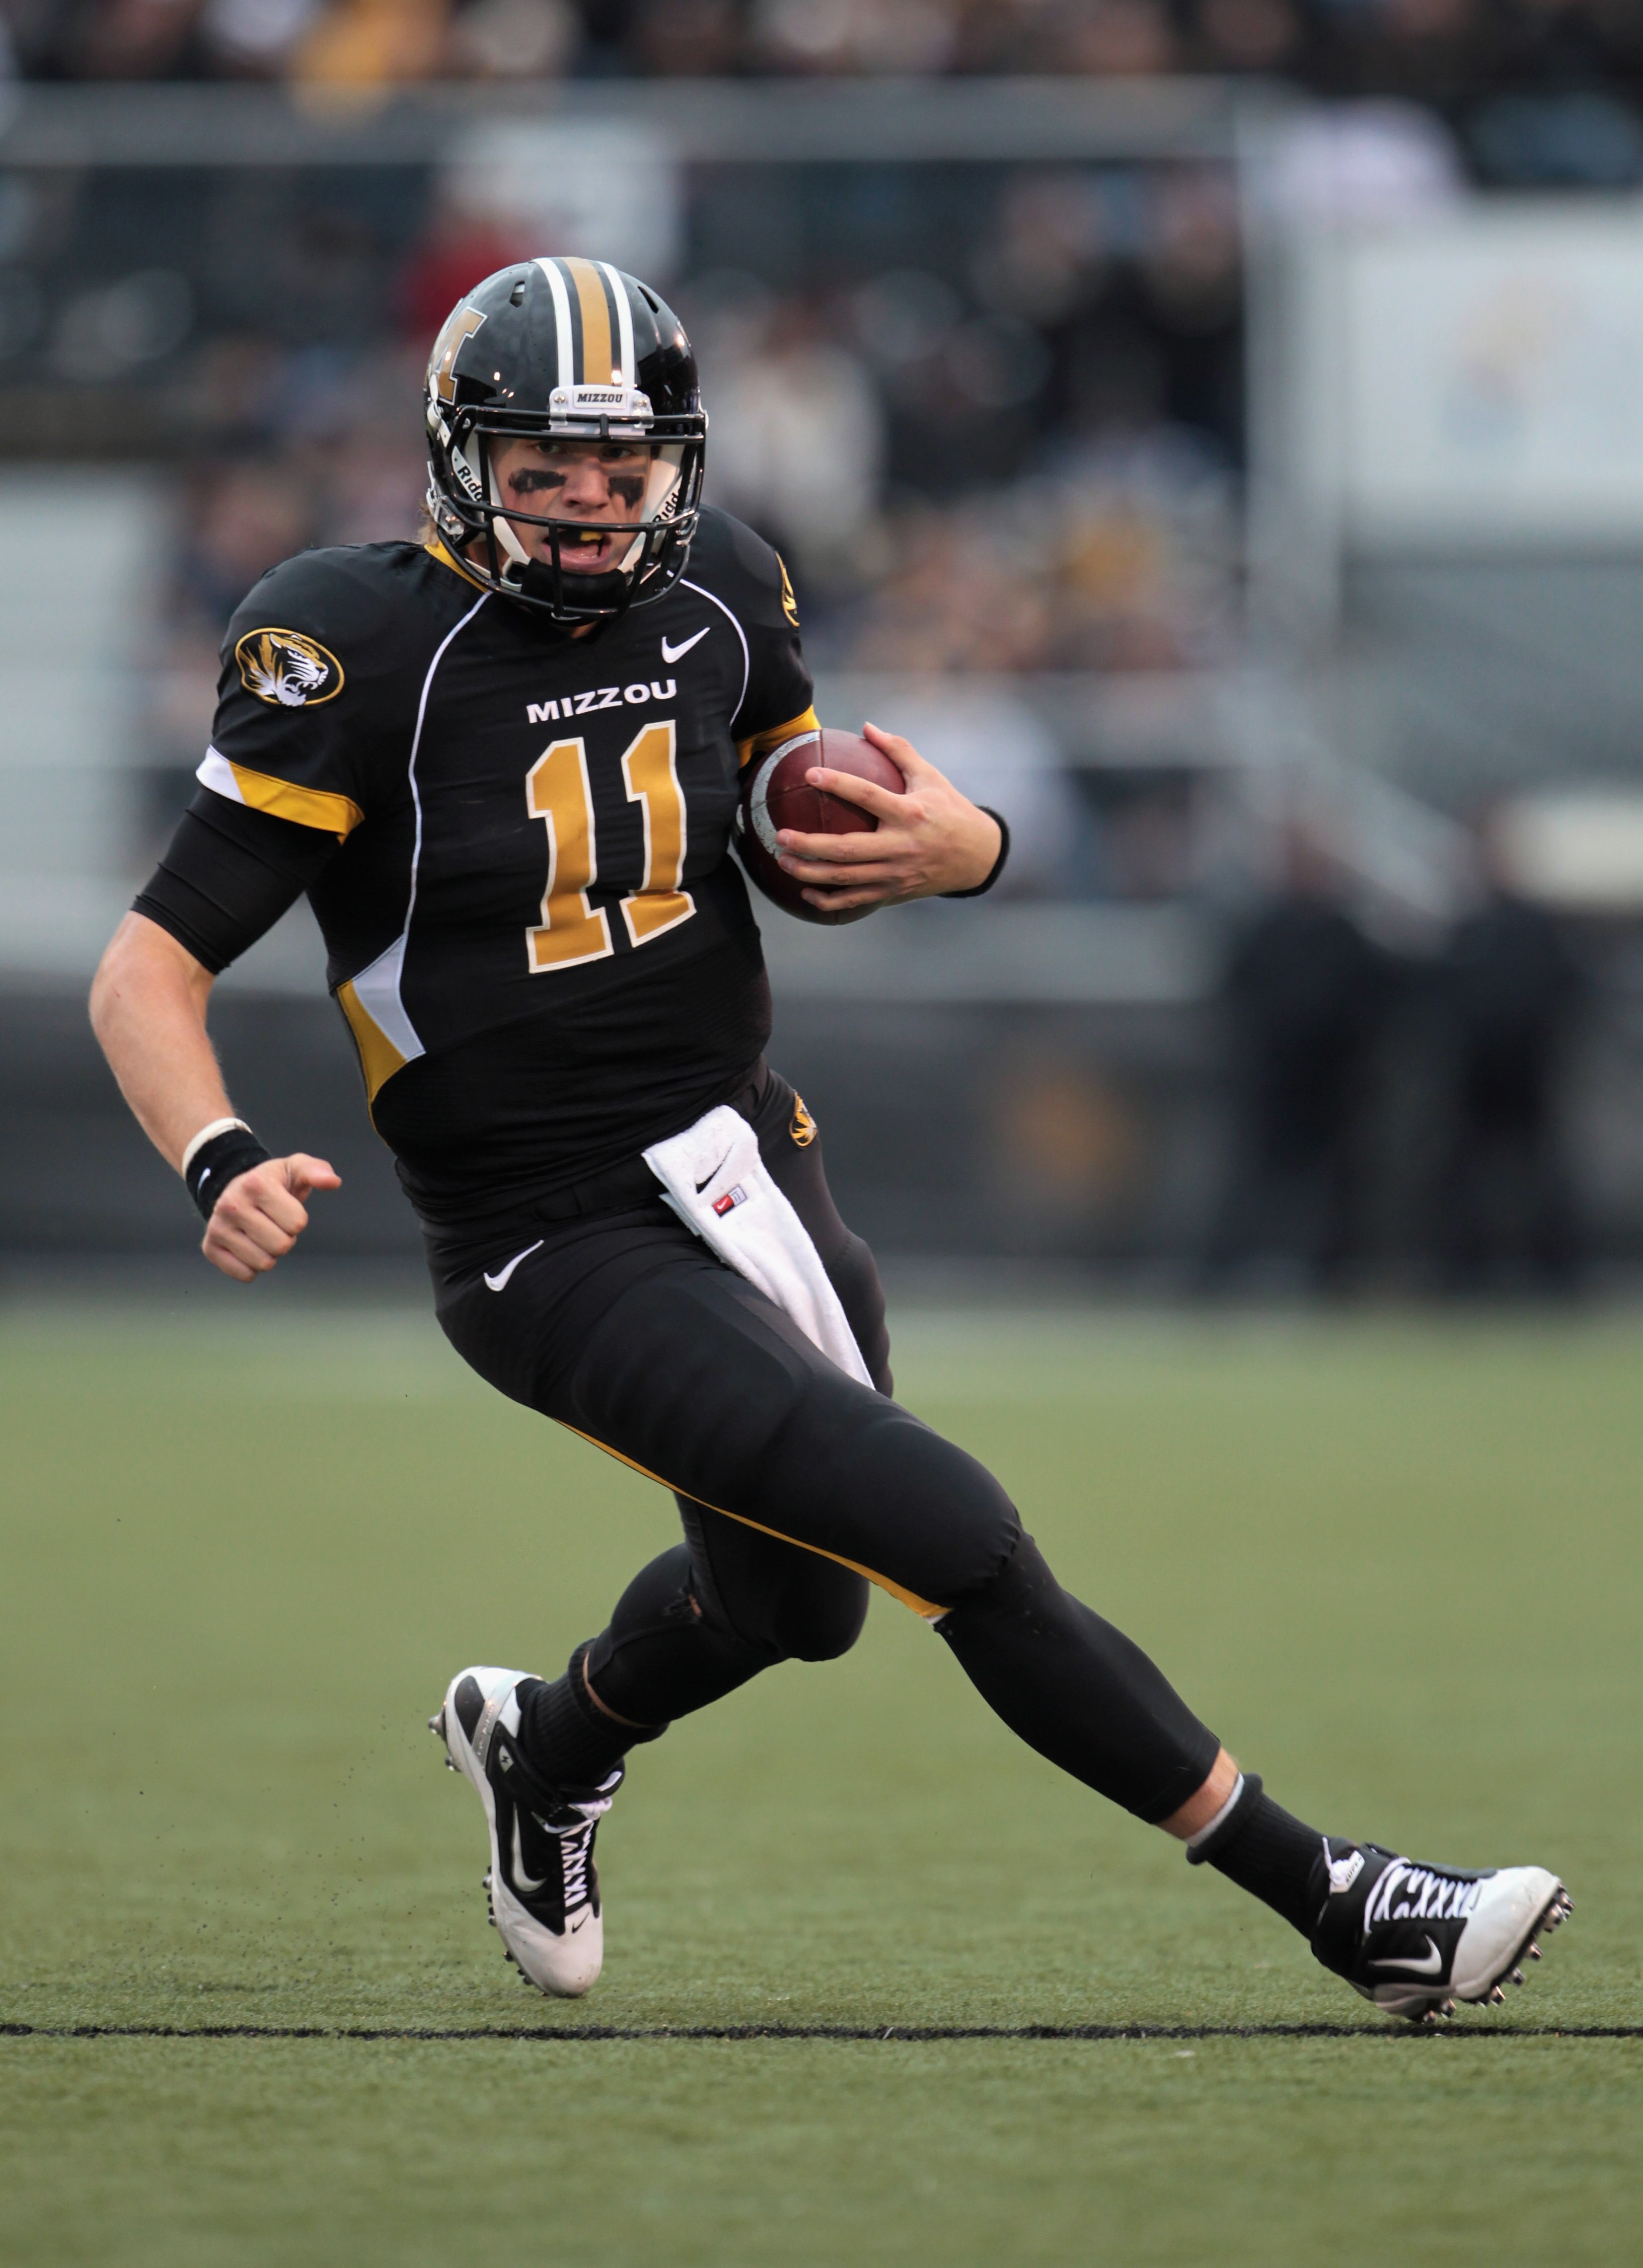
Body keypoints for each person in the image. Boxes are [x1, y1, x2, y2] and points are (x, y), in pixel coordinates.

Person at [90, 256, 1569, 2024]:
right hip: (536, 1228)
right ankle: (1348, 1903)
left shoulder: (721, 588)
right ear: (456, 461)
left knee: (798, 1599)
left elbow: (825, 840)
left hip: (742, 1161)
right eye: (542, 469)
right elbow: (148, 963)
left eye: (620, 471)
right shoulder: (353, 639)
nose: (585, 505)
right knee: (946, 1525)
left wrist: (973, 846)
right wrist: (213, 1149)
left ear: (675, 471)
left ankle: (543, 1744)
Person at [1202, 823, 1395, 1292]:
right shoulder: (1262, 928)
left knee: (1341, 1183)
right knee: (1251, 1176)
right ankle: (1229, 1271)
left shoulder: (1343, 932)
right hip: (1271, 1078)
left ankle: (1337, 1273)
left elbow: (1372, 999)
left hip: (1333, 1080)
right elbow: (1236, 996)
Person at [1435, 820, 1585, 1294]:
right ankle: (1466, 1269)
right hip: (1477, 1071)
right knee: (1466, 1171)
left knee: (1540, 1168)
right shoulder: (1469, 927)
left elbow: (1563, 987)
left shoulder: (1536, 926)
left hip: (1529, 1067)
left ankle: (1553, 1269)